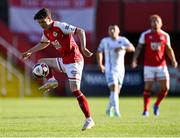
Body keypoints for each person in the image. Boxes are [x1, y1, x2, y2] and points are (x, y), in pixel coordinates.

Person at [22, 8, 95, 130]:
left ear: (49, 19)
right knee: (42, 62)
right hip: (64, 60)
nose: (42, 25)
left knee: (75, 90)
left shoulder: (60, 26)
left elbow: (80, 31)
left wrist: (83, 48)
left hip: (74, 60)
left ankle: (89, 119)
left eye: (43, 22)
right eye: (39, 23)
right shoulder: (46, 32)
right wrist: (29, 51)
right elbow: (43, 43)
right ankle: (51, 80)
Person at [131, 14, 178, 116]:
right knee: (148, 88)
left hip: (162, 65)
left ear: (161, 23)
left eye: (157, 21)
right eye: (153, 21)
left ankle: (156, 105)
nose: (155, 22)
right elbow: (139, 48)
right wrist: (134, 60)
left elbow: (169, 49)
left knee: (165, 88)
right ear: (150, 23)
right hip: (149, 66)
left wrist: (173, 60)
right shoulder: (145, 35)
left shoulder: (165, 35)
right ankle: (145, 110)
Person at [96, 25, 135, 117]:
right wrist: (100, 64)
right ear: (108, 31)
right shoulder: (105, 41)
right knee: (114, 87)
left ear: (118, 31)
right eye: (110, 29)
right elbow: (99, 51)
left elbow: (132, 48)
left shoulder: (123, 40)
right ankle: (117, 112)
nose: (112, 31)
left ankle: (108, 109)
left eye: (114, 29)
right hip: (109, 69)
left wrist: (123, 47)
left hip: (121, 69)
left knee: (116, 92)